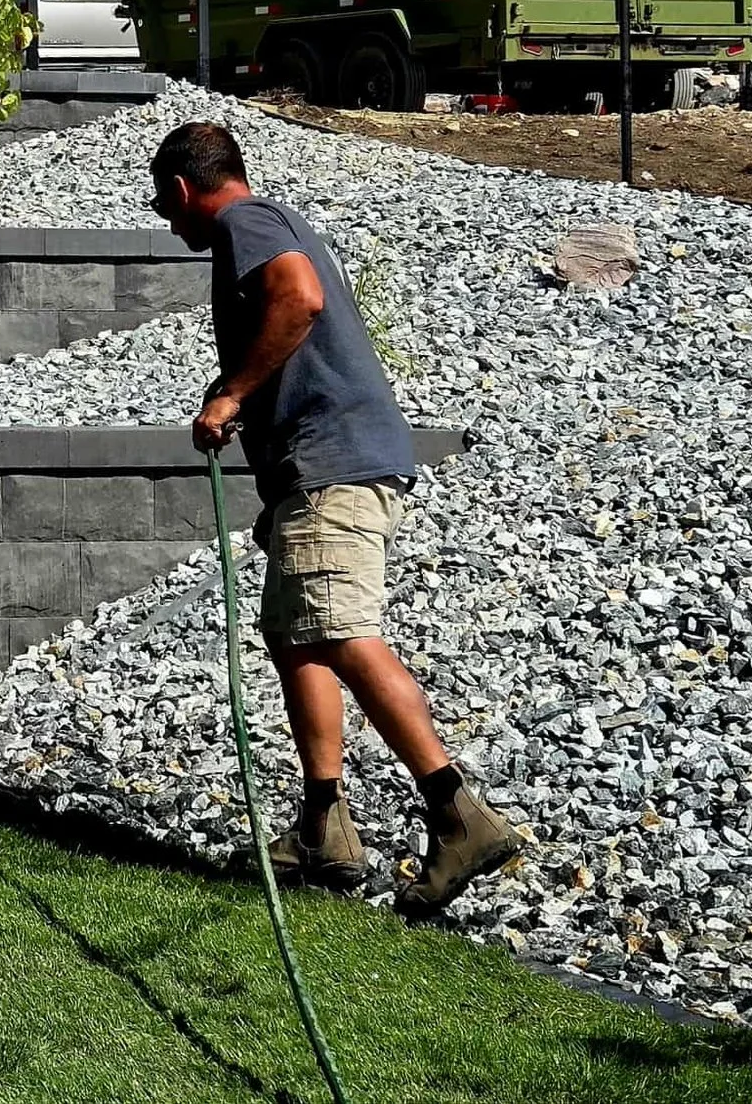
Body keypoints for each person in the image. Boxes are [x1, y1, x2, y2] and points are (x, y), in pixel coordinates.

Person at [150, 120, 521, 912]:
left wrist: (232, 393)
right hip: (312, 471)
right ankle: (325, 826)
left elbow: (300, 297)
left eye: (164, 203)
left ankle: (459, 813)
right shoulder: (267, 224)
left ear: (182, 190)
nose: (166, 217)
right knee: (295, 635)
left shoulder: (245, 223)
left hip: (332, 469)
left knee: (343, 631)